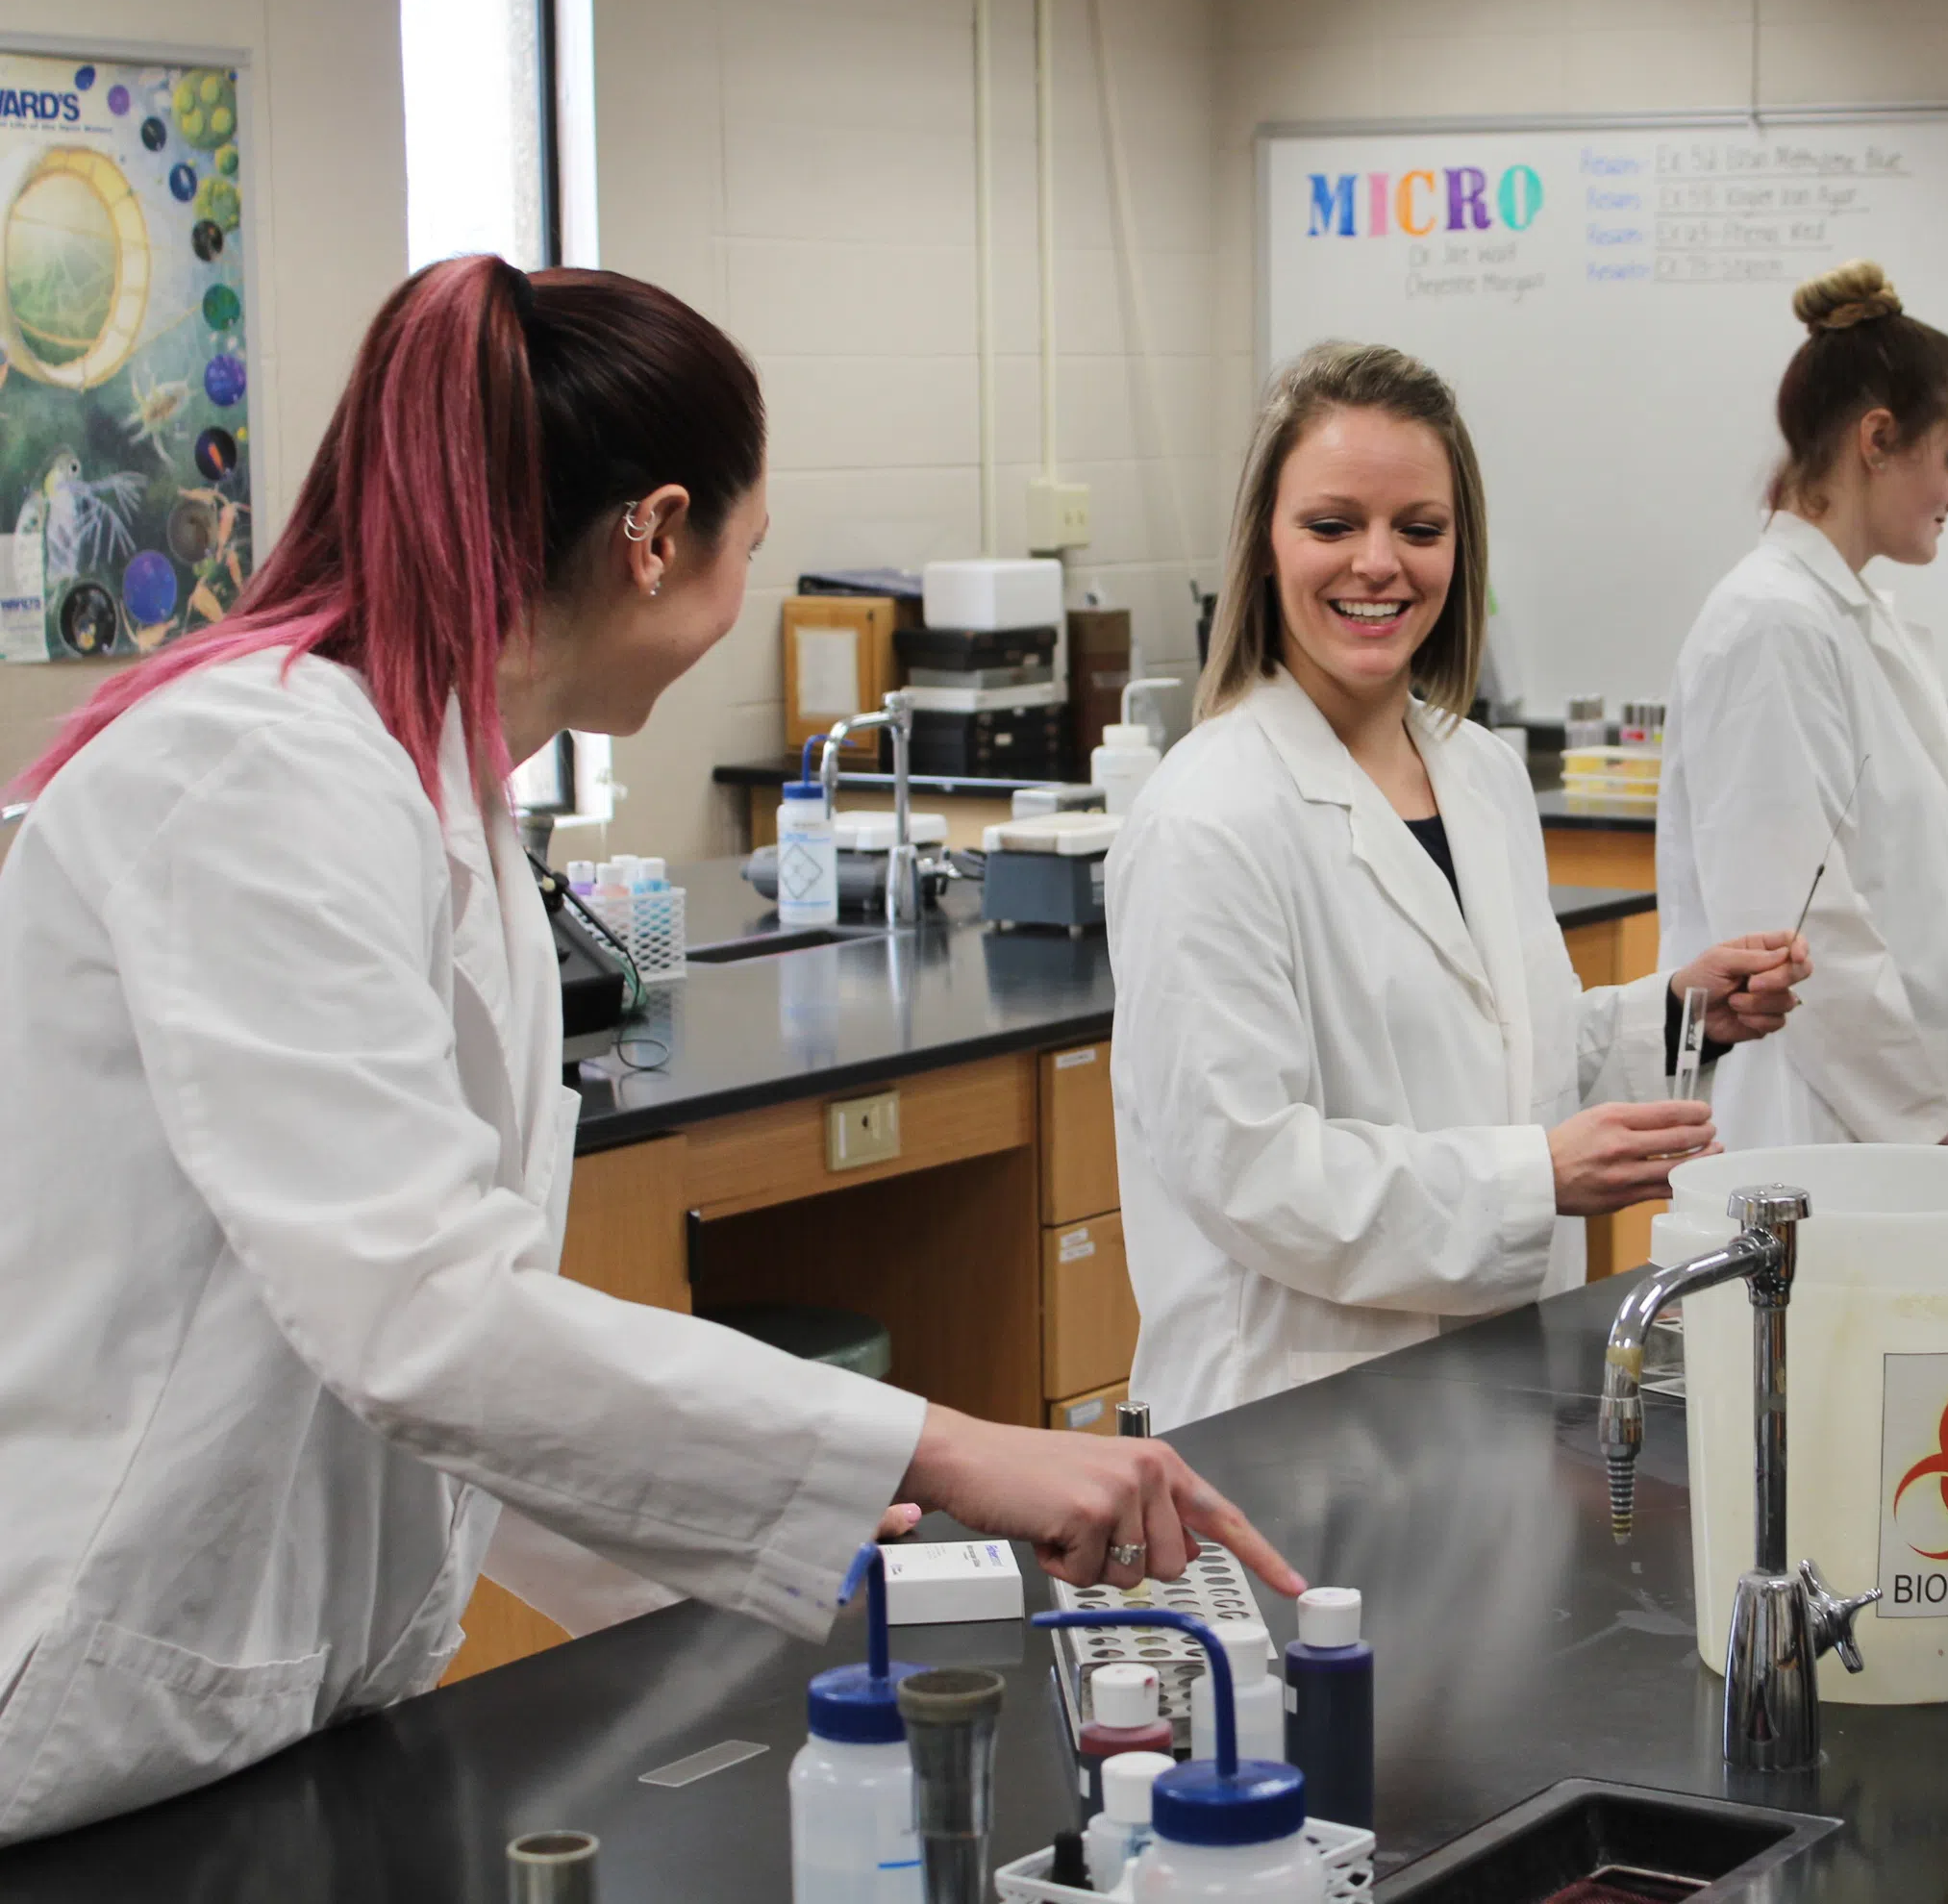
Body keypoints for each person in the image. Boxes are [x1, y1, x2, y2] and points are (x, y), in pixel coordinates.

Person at [0, 258, 1298, 1846]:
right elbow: (424, 1320)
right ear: (658, 533)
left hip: (261, 1708)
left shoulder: (440, 790)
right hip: (82, 1693)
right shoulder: (254, 774)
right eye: (748, 552)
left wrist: (830, 1565)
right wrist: (945, 1450)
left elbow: (480, 1363)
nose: (740, 596)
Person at [1110, 341, 1810, 1427]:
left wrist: (1679, 1016)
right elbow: (1249, 1168)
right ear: (1263, 545)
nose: (1378, 563)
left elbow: (1504, 1057)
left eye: (1419, 529)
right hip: (1295, 1412)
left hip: (1494, 1382)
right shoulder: (1208, 815)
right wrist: (1536, 1179)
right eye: (1332, 524)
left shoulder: (1475, 770)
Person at [1658, 262, 1948, 1149]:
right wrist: (1925, 1129)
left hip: (1908, 1134)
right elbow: (1801, 939)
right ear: (1877, 439)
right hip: (1811, 1134)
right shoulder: (1769, 628)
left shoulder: (1867, 625)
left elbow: (1939, 900)